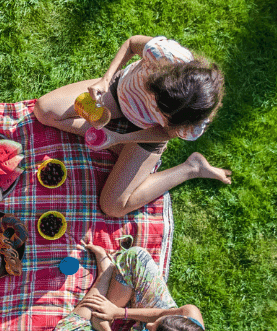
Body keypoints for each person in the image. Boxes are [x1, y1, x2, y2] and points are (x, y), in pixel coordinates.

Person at [34, 35, 233, 218]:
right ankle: (119, 150)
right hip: (118, 94)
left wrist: (122, 138)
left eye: (164, 115)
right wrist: (105, 80)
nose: (153, 108)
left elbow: (164, 133)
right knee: (45, 111)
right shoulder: (165, 54)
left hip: (147, 133)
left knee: (112, 206)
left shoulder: (193, 125)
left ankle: (191, 168)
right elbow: (131, 43)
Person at [49, 239, 207, 331]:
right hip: (147, 314)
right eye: (157, 324)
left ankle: (105, 276)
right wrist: (118, 312)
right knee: (136, 257)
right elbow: (159, 314)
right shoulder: (190, 313)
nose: (149, 325)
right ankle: (106, 289)